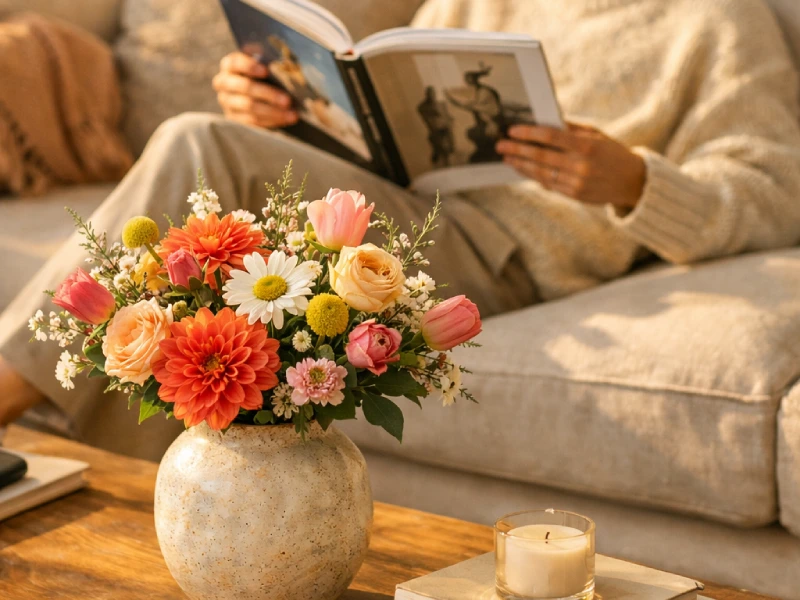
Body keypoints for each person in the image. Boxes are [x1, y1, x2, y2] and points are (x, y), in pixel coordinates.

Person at [1, 0, 799, 459]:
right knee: (211, 139)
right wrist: (281, 107)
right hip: (408, 204)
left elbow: (773, 188)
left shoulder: (717, 18)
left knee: (192, 143)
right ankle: (114, 463)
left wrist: (632, 182)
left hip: (516, 251)